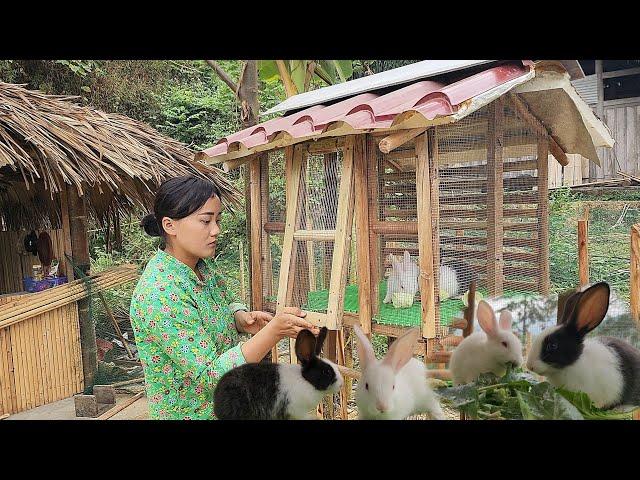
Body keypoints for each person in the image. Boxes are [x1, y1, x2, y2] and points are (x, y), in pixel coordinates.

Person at [129, 175, 318, 420]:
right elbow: (212, 375)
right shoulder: (159, 294)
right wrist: (274, 332)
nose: (216, 230)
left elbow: (224, 302)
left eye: (217, 220)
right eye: (205, 221)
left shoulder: (203, 267)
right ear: (170, 225)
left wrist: (239, 317)